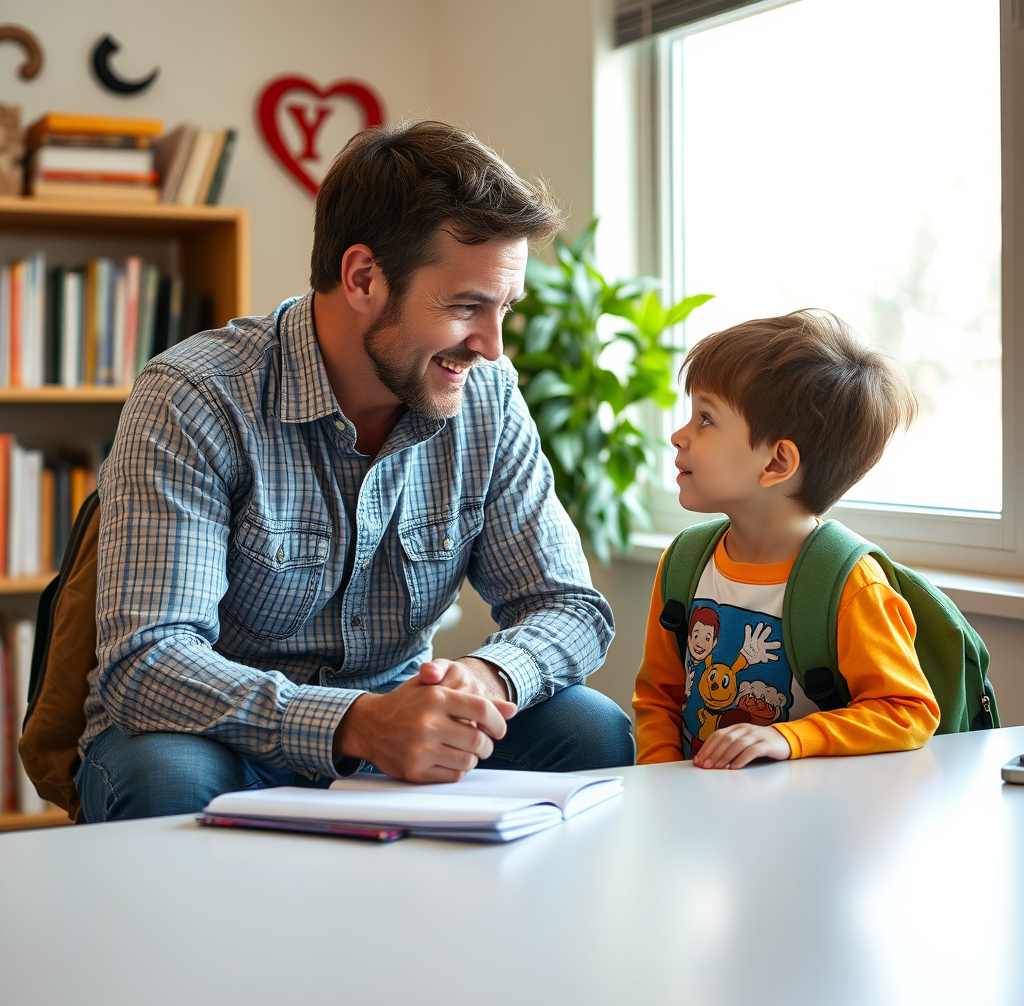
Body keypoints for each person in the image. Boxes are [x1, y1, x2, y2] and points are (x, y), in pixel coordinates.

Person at [76, 120, 634, 822]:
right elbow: (149, 662)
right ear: (364, 277)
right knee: (168, 775)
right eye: (467, 307)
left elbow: (569, 606)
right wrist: (357, 723)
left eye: (503, 309)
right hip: (221, 739)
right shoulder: (196, 396)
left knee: (590, 727)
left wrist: (484, 676)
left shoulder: (487, 395)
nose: (492, 347)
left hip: (401, 730)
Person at [632, 310, 940, 769]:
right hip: (698, 816)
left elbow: (908, 711)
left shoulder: (851, 585)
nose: (679, 436)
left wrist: (788, 739)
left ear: (777, 462)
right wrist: (659, 776)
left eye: (706, 419)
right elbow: (659, 697)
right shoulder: (685, 562)